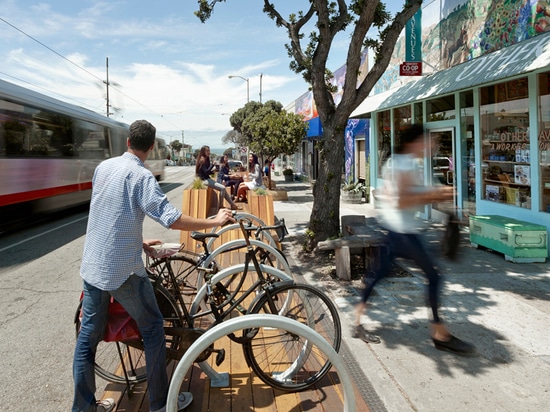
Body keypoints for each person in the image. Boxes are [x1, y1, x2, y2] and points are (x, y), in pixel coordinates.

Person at [73, 120, 234, 412]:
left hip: (92, 266)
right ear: (150, 147)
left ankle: (83, 408)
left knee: (87, 339)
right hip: (122, 271)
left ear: (127, 142)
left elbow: (109, 213)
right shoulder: (141, 176)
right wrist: (213, 222)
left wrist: (140, 241)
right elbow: (170, 218)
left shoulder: (104, 168)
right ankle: (160, 404)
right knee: (153, 328)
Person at [353, 123, 475, 356]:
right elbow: (403, 200)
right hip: (403, 232)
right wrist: (438, 194)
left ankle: (357, 321)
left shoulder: (396, 162)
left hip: (394, 229)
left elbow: (397, 195)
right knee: (434, 276)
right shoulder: (405, 163)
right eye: (428, 140)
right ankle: (439, 334)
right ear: (415, 141)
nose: (432, 145)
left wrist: (437, 196)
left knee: (378, 275)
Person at [195, 145, 241, 210]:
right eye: (207, 151)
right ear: (203, 152)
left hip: (207, 178)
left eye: (209, 150)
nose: (209, 152)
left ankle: (232, 205)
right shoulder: (202, 160)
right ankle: (221, 206)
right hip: (203, 180)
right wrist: (212, 164)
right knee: (222, 188)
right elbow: (205, 172)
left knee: (223, 188)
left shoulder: (205, 159)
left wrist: (212, 172)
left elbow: (206, 172)